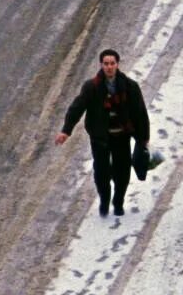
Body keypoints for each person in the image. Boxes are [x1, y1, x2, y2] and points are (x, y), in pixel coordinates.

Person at [54, 48, 152, 226]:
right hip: (100, 138)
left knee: (122, 171)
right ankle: (105, 200)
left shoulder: (130, 87)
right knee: (101, 172)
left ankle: (118, 201)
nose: (109, 67)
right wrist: (66, 130)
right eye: (106, 64)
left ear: (117, 64)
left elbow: (140, 113)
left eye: (112, 63)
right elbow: (77, 108)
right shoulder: (91, 87)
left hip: (122, 136)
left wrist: (143, 138)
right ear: (101, 65)